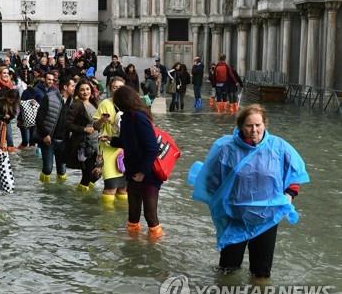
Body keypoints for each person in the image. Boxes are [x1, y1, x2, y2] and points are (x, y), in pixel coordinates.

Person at [188, 104, 310, 282]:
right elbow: (210, 179)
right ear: (240, 126)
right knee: (227, 270)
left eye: (258, 125)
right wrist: (219, 203)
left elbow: (295, 173)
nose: (254, 130)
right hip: (234, 218)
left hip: (266, 219)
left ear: (265, 124)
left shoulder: (279, 147)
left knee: (261, 273)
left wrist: (289, 195)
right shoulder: (226, 149)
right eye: (249, 125)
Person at [109, 85, 163, 239]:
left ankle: (155, 248)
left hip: (149, 174)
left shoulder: (138, 117)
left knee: (150, 215)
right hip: (132, 172)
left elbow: (152, 148)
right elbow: (130, 142)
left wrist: (142, 172)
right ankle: (133, 245)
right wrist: (113, 141)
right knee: (133, 214)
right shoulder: (126, 117)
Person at [92, 77, 128, 207]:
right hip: (108, 149)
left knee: (124, 188)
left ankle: (123, 217)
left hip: (125, 149)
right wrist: (102, 120)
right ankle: (107, 219)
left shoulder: (129, 104)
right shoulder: (105, 104)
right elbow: (95, 126)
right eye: (115, 87)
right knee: (111, 186)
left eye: (120, 87)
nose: (118, 90)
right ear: (110, 89)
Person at [35, 76, 75, 182]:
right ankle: (45, 191)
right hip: (49, 140)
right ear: (65, 87)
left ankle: (60, 195)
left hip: (64, 141)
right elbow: (39, 118)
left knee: (62, 170)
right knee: (47, 169)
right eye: (72, 86)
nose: (74, 88)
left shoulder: (74, 102)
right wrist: (44, 135)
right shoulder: (49, 97)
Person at [65, 79, 100, 191]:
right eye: (82, 90)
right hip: (85, 145)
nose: (85, 92)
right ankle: (81, 199)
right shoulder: (77, 105)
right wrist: (83, 129)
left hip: (97, 144)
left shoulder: (94, 103)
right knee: (88, 175)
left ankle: (84, 193)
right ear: (78, 92)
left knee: (98, 173)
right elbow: (67, 124)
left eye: (87, 89)